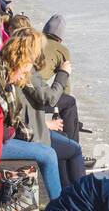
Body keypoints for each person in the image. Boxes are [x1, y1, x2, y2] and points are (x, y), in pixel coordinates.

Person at [0, 29, 81, 202]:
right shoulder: (25, 71)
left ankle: (69, 196)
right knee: (70, 150)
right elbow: (49, 98)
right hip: (29, 134)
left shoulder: (12, 65)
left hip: (28, 128)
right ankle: (74, 201)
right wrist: (63, 74)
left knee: (66, 146)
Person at [33, 15, 82, 145]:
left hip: (24, 89)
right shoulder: (62, 50)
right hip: (36, 95)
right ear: (60, 37)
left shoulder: (34, 42)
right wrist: (63, 113)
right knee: (69, 103)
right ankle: (72, 146)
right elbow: (65, 83)